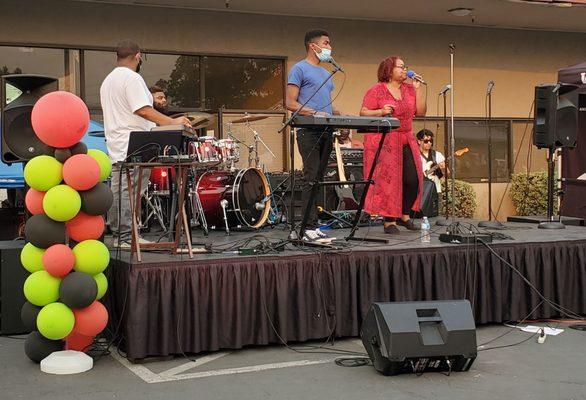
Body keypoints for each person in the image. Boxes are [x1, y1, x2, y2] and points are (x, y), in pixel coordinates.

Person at [100, 39, 190, 247]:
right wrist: (172, 122)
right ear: (138, 56)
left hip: (116, 143)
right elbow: (143, 109)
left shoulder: (108, 80)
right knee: (130, 190)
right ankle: (125, 237)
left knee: (120, 188)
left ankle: (119, 236)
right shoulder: (132, 78)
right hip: (134, 142)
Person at [286, 29, 343, 242]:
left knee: (319, 178)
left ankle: (314, 224)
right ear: (314, 46)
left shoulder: (326, 73)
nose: (330, 48)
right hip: (308, 130)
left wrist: (339, 114)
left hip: (326, 129)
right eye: (326, 43)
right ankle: (305, 227)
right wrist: (313, 112)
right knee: (310, 176)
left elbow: (325, 101)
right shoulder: (299, 68)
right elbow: (290, 102)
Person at [359, 56, 427, 234]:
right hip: (387, 140)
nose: (405, 70)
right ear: (389, 70)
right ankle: (389, 220)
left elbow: (420, 112)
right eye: (401, 67)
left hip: (406, 137)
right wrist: (381, 111)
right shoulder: (377, 90)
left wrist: (418, 90)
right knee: (389, 181)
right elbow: (363, 112)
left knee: (414, 178)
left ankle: (405, 215)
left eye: (406, 67)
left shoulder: (410, 89)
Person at [417, 129, 446, 217]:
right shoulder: (415, 155)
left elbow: (447, 174)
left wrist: (443, 169)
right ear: (419, 141)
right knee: (418, 216)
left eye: (431, 141)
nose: (429, 143)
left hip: (436, 190)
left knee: (435, 216)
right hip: (418, 191)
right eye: (426, 141)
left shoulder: (437, 155)